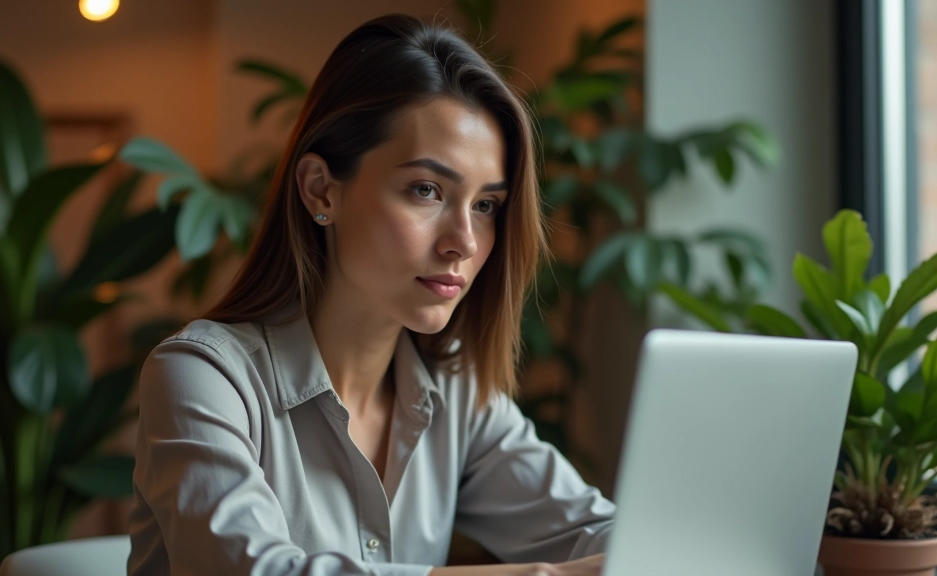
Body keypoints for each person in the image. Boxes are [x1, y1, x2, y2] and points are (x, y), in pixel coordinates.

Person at [127, 12, 614, 576]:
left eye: (486, 205)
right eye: (427, 190)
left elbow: (589, 529)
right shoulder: (202, 378)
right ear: (320, 190)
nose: (464, 242)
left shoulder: (458, 395)